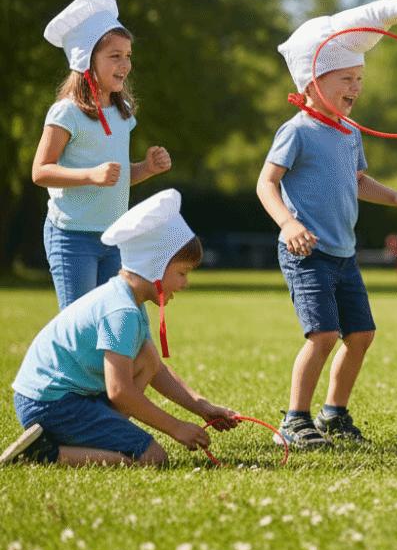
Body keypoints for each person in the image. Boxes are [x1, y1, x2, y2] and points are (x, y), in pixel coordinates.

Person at [257, 9, 397, 449]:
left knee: (361, 334)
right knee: (323, 335)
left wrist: (396, 198)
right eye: (345, 79)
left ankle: (333, 414)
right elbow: (266, 183)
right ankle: (294, 422)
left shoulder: (350, 132)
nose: (355, 88)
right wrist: (288, 222)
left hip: (343, 251)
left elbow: (357, 181)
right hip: (305, 252)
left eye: (359, 80)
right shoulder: (297, 131)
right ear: (313, 84)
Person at [1, 190, 237, 467]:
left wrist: (201, 406)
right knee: (152, 458)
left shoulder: (128, 299)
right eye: (182, 272)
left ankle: (76, 439)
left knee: (148, 357)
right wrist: (175, 427)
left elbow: (155, 369)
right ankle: (44, 454)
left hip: (62, 399)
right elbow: (119, 391)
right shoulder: (121, 311)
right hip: (51, 405)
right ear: (153, 267)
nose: (185, 283)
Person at [32, 0, 171, 309]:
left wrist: (146, 169)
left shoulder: (122, 114)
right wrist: (91, 175)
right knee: (80, 326)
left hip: (113, 236)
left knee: (111, 322)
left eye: (128, 55)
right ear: (86, 59)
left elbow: (116, 179)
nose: (126, 64)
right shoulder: (66, 112)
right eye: (115, 56)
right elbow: (40, 171)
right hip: (72, 238)